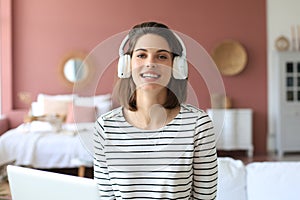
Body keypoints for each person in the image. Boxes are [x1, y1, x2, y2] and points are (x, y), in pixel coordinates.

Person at [94, 21, 218, 200]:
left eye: (161, 56)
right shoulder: (105, 127)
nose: (150, 63)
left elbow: (205, 197)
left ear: (176, 66)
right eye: (142, 55)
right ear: (126, 64)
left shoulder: (198, 125)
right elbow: (104, 197)